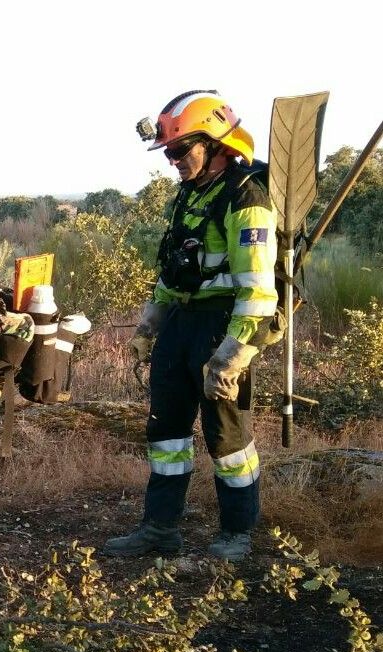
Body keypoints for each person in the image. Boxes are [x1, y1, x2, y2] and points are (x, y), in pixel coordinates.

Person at [108, 90, 278, 562]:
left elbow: (258, 286)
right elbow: (176, 267)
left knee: (225, 438)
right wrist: (149, 325)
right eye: (168, 152)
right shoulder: (189, 194)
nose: (172, 160)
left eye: (180, 150)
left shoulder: (246, 196)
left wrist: (235, 352)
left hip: (221, 326)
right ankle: (160, 528)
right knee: (166, 433)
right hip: (182, 323)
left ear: (214, 141)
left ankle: (237, 532)